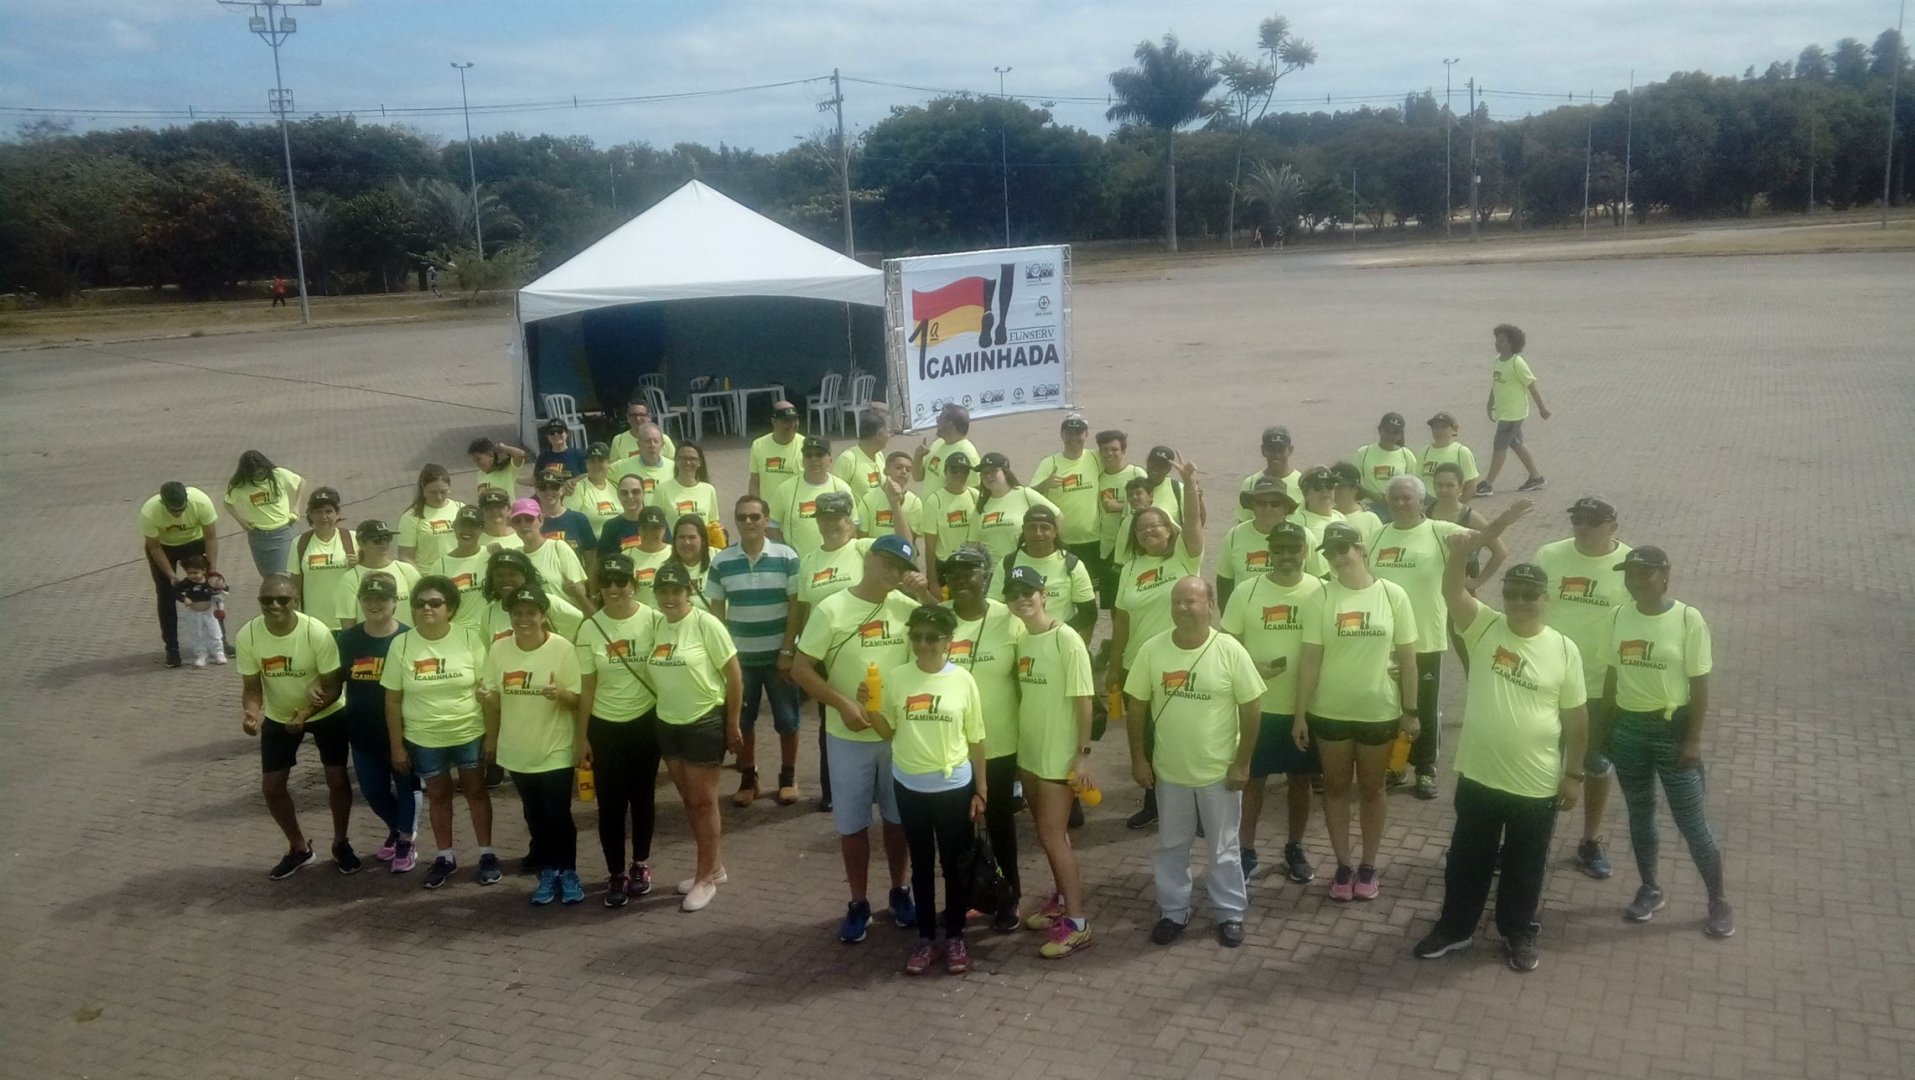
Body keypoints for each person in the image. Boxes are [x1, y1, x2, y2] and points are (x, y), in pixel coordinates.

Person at [1415, 508, 1589, 972]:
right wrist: (1465, 551)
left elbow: (1576, 719)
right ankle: (1455, 929)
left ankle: (1518, 931)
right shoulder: (1484, 627)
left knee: (1525, 866)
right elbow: (1452, 591)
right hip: (1479, 775)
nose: (1520, 601)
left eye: (1530, 595)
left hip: (1536, 784)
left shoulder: (1564, 649)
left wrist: (1574, 774)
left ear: (1546, 599)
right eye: (1512, 593)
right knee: (1466, 861)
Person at [791, 536, 928, 943]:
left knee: (897, 820)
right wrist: (842, 703)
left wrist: (925, 594)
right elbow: (801, 668)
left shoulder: (908, 609)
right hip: (846, 736)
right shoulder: (831, 608)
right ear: (868, 559)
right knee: (852, 825)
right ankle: (858, 902)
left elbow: (938, 649)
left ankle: (900, 890)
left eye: (901, 568)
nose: (893, 573)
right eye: (887, 563)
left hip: (895, 736)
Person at [1124, 578, 1266, 949]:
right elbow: (1136, 706)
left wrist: (1242, 763)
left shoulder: (1230, 650)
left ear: (1210, 605)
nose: (1183, 608)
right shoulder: (1152, 650)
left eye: (1191, 601)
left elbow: (1252, 707)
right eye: (1177, 602)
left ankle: (1230, 914)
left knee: (1223, 849)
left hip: (1219, 773)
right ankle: (1173, 911)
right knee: (1171, 845)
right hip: (1170, 772)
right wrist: (1138, 758)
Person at [1605, 546, 1732, 938]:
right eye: (1629, 574)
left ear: (1664, 575)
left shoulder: (1688, 619)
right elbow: (1611, 676)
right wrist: (1605, 730)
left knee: (1692, 822)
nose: (1635, 581)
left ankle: (1718, 901)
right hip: (1628, 730)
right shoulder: (1618, 616)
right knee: (1640, 813)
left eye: (1643, 574)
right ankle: (1650, 888)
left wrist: (1693, 740)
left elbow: (1700, 687)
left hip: (1673, 733)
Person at [1294, 522, 1418, 901]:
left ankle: (1368, 865)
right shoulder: (1321, 597)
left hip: (1379, 711)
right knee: (1334, 788)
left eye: (1343, 549)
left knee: (1372, 788)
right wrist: (1300, 715)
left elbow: (1409, 661)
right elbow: (1310, 660)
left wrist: (1411, 710)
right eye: (1330, 552)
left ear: (1361, 548)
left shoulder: (1393, 595)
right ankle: (1344, 865)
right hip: (1330, 711)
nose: (1337, 557)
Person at [866, 604, 987, 975]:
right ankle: (925, 937)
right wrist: (869, 707)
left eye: (932, 638)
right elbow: (887, 732)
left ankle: (955, 935)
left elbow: (977, 738)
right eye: (916, 636)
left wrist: (981, 789)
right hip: (910, 784)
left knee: (953, 865)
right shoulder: (897, 677)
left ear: (948, 640)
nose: (923, 644)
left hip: (953, 786)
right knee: (920, 864)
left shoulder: (963, 680)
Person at [1220, 522, 1327, 885]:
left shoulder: (1322, 591)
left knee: (1300, 781)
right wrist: (1251, 665)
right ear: (1269, 551)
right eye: (1278, 549)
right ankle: (1246, 851)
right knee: (1252, 781)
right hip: (1259, 709)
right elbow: (1227, 645)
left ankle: (1295, 847)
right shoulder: (1247, 591)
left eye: (1293, 548)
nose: (1286, 556)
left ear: (1305, 551)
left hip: (1304, 708)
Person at [1533, 495, 1631, 880]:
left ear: (1613, 527)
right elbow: (1530, 607)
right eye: (1577, 520)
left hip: (1598, 688)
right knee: (1539, 763)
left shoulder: (1630, 565)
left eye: (1592, 521)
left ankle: (1590, 841)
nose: (1583, 528)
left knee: (1596, 766)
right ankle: (1531, 839)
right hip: (1546, 681)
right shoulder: (1549, 555)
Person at [382, 575, 499, 889]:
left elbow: (487, 689)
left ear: (451, 608)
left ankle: (486, 854)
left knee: (476, 792)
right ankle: (445, 856)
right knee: (438, 796)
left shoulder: (469, 638)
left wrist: (492, 736)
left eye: (435, 603)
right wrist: (397, 746)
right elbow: (392, 700)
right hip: (424, 738)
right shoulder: (401, 644)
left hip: (468, 732)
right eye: (420, 603)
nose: (426, 609)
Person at [1108, 456, 1205, 830]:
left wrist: (1190, 485)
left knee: (1182, 733)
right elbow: (1122, 621)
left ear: (1169, 530)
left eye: (1155, 526)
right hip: (1137, 665)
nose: (1148, 531)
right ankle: (1154, 802)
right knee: (1146, 735)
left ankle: (1196, 806)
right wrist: (1114, 667)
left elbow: (1193, 523)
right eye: (1141, 528)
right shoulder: (1130, 569)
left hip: (1178, 661)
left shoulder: (1184, 558)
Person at [1006, 567, 1097, 958]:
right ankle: (1061, 900)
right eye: (1013, 593)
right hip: (1030, 753)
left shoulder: (1066, 639)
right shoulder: (1022, 639)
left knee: (1051, 835)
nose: (1021, 599)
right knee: (1050, 834)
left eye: (1028, 591)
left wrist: (1082, 755)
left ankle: (1077, 924)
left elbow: (1084, 699)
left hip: (1059, 757)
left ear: (1043, 595)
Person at [236, 573, 350, 878]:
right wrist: (251, 714)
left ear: (296, 601)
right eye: (267, 600)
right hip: (280, 716)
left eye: (282, 599)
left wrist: (306, 713)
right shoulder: (248, 635)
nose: (274, 605)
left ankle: (341, 843)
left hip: (326, 713)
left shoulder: (316, 632)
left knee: (338, 780)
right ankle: (299, 848)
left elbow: (333, 686)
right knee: (272, 787)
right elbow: (252, 687)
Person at [645, 561, 744, 912]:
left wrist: (732, 723)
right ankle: (714, 867)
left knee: (704, 802)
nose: (670, 598)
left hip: (704, 721)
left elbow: (734, 675)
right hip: (667, 722)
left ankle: (705, 879)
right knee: (690, 801)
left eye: (676, 591)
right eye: (663, 591)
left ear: (688, 592)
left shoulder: (706, 623)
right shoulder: (656, 625)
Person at [481, 585, 587, 906]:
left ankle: (568, 871)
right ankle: (548, 871)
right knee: (534, 814)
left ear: (543, 615)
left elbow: (578, 699)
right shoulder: (499, 649)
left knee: (558, 813)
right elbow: (495, 700)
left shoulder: (563, 649)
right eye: (518, 613)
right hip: (517, 748)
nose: (524, 619)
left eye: (531, 612)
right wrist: (488, 713)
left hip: (555, 747)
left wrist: (560, 694)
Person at [1367, 474, 1470, 799]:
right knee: (1391, 706)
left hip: (1425, 638)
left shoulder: (1440, 531)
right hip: (1384, 639)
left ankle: (1425, 769)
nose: (1400, 503)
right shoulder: (1376, 536)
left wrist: (1502, 522)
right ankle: (1396, 766)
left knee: (1422, 708)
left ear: (1422, 502)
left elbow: (1481, 541)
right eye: (1394, 498)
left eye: (1407, 498)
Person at [940, 544, 1025, 933]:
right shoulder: (938, 620)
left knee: (1001, 824)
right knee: (955, 830)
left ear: (987, 576)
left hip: (1000, 743)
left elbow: (1025, 678)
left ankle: (1009, 897)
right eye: (954, 572)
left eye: (970, 571)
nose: (962, 579)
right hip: (950, 747)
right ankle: (962, 899)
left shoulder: (1009, 619)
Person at [573, 552, 666, 905]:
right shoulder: (589, 628)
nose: (614, 588)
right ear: (598, 587)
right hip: (605, 726)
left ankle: (639, 864)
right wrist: (582, 737)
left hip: (645, 722)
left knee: (642, 798)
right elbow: (587, 687)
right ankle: (615, 872)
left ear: (634, 584)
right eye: (607, 582)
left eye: (621, 581)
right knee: (610, 805)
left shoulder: (654, 620)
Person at [706, 496, 805, 809]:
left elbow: (796, 607)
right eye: (742, 517)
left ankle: (788, 777)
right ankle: (749, 777)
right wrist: (725, 658)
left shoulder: (787, 556)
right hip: (741, 661)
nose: (748, 522)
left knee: (788, 720)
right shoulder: (722, 562)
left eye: (754, 516)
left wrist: (788, 650)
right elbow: (717, 615)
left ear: (766, 519)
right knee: (743, 722)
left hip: (779, 656)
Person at [335, 572, 421, 874]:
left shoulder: (409, 638)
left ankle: (406, 841)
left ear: (395, 602)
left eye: (382, 599)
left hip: (403, 732)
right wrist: (314, 689)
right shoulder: (348, 639)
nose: (374, 605)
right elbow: (334, 679)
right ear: (360, 601)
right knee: (373, 792)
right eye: (368, 598)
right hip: (362, 732)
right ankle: (398, 829)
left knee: (407, 787)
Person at [1429, 462, 1507, 665]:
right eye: (1439, 485)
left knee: (1467, 646)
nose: (1444, 490)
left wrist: (1477, 581)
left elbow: (1500, 551)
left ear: (1461, 487)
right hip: (1430, 590)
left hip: (1460, 593)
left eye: (1450, 485)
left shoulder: (1470, 517)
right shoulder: (1425, 513)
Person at [142, 480, 224, 667]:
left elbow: (211, 538)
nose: (178, 513)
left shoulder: (201, 502)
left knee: (210, 589)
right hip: (164, 547)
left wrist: (212, 571)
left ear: (187, 499)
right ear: (163, 503)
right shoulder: (149, 512)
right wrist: (171, 575)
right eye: (173, 511)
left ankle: (220, 644)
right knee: (166, 595)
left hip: (194, 542)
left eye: (182, 509)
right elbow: (154, 548)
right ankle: (172, 649)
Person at [989, 506, 1096, 640]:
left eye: (1045, 528)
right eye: (1032, 528)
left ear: (1055, 532)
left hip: (1057, 640)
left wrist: (1057, 631)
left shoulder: (1072, 565)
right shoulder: (1008, 564)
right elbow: (993, 608)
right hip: (1017, 640)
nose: (1038, 533)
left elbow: (1089, 613)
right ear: (1024, 531)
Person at [1476, 323, 1551, 496]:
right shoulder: (1497, 361)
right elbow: (1495, 384)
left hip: (1513, 414)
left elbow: (1532, 386)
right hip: (1504, 411)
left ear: (1512, 343)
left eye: (1501, 341)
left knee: (1499, 446)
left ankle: (1488, 483)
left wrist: (1542, 408)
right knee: (1516, 443)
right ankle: (1536, 477)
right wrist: (1490, 403)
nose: (1497, 343)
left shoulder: (1518, 363)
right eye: (1497, 340)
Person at [1217, 477, 1304, 612]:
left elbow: (1320, 582)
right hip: (1246, 615)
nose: (1267, 509)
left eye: (1275, 504)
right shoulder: (1234, 535)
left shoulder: (1303, 537)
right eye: (1261, 503)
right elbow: (1224, 584)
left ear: (1286, 508)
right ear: (1252, 506)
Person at [1028, 414, 1101, 573]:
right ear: (1062, 435)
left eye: (1078, 433)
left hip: (1093, 539)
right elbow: (1028, 495)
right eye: (1069, 433)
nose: (1073, 438)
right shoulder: (1049, 463)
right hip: (1061, 540)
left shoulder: (1095, 458)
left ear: (1086, 434)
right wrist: (1045, 484)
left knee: (1091, 585)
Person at [770, 434, 856, 561]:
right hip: (799, 565)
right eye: (809, 455)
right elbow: (772, 526)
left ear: (830, 460)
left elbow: (853, 525)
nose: (814, 459)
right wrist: (787, 555)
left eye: (819, 455)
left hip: (834, 563)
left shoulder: (842, 488)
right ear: (803, 460)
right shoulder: (785, 489)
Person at [223, 450, 304, 580]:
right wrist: (241, 520)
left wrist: (296, 506)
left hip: (282, 532)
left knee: (282, 575)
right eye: (255, 475)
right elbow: (228, 503)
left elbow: (301, 482)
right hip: (258, 535)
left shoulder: (279, 474)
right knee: (268, 577)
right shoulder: (240, 485)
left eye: (262, 472)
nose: (260, 477)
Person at [1092, 429, 1146, 619]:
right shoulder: (1099, 478)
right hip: (1108, 549)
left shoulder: (1136, 473)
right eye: (1105, 449)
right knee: (1115, 605)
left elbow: (1149, 503)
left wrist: (1120, 506)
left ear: (1123, 451)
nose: (1109, 454)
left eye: (1114, 449)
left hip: (1134, 547)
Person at [477, 549, 584, 644]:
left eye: (512, 574)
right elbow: (490, 652)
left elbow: (583, 624)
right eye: (499, 575)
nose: (505, 580)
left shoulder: (548, 602)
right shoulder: (488, 613)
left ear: (525, 576)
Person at [973, 452, 1062, 562]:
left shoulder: (1025, 494)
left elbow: (1058, 516)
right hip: (993, 569)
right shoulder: (981, 505)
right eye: (984, 473)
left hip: (1023, 565)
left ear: (1006, 472)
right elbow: (973, 542)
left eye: (993, 471)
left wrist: (1046, 549)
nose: (988, 476)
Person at [333, 520, 421, 629]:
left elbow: (419, 611)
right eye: (376, 539)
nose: (383, 543)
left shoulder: (407, 571)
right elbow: (348, 624)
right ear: (361, 543)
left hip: (405, 638)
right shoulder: (350, 578)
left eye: (387, 538)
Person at [508, 498, 591, 613]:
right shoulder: (516, 556)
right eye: (517, 520)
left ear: (541, 519)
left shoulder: (558, 547)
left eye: (529, 519)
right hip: (533, 621)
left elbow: (581, 589)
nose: (523, 524)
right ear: (512, 525)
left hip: (566, 620)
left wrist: (575, 590)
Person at [290, 487, 355, 631]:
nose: (323, 516)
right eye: (318, 512)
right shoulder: (299, 543)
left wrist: (359, 565)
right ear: (310, 515)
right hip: (314, 625)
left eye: (328, 511)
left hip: (349, 623)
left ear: (337, 514)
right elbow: (294, 584)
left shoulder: (353, 539)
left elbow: (370, 574)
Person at [919, 451, 978, 598]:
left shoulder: (975, 496)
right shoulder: (935, 501)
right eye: (954, 470)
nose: (959, 475)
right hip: (945, 567)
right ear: (945, 472)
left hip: (970, 565)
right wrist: (932, 581)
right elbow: (930, 547)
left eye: (964, 471)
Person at [430, 506, 492, 629]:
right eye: (462, 525)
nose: (467, 530)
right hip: (457, 633)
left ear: (482, 528)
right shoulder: (440, 565)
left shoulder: (491, 556)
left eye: (473, 526)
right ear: (454, 526)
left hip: (488, 630)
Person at [396, 464, 463, 568]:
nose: (439, 497)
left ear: (449, 488)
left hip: (459, 571)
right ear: (423, 490)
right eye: (433, 492)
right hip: (429, 575)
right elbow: (405, 557)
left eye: (443, 492)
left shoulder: (460, 509)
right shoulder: (411, 517)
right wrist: (418, 577)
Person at [1234, 426, 1302, 523]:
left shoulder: (1302, 482)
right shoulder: (1250, 483)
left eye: (1281, 449)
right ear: (1263, 450)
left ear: (1290, 450)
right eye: (1271, 449)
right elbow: (1242, 521)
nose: (1276, 454)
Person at [1353, 413, 1420, 511]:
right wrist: (1375, 497)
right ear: (1380, 430)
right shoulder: (1363, 453)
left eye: (1395, 432)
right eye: (1387, 431)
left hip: (1398, 507)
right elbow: (1354, 483)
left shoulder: (1407, 455)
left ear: (1400, 435)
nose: (1390, 435)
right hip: (1369, 507)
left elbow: (1413, 485)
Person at [747, 400, 804, 511]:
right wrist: (755, 509)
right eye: (787, 420)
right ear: (773, 421)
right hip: (769, 511)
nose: (792, 424)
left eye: (795, 419)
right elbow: (755, 481)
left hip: (795, 510)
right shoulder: (758, 445)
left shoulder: (806, 446)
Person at [654, 440, 721, 533]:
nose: (688, 462)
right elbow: (656, 525)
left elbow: (714, 524)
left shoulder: (709, 490)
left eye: (692, 459)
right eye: (683, 458)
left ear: (699, 462)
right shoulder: (661, 490)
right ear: (676, 461)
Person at [913, 403, 980, 490]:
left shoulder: (967, 455)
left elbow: (977, 489)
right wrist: (918, 457)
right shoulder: (938, 443)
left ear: (950, 425)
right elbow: (918, 477)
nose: (937, 421)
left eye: (940, 418)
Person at [175, 554, 227, 668]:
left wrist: (221, 585)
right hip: (193, 613)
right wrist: (184, 599)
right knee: (196, 634)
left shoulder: (210, 581)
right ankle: (201, 655)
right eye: (189, 573)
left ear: (203, 570)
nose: (192, 576)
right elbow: (175, 592)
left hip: (209, 612)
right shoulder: (186, 583)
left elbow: (223, 588)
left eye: (195, 573)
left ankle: (219, 653)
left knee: (214, 632)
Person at [532, 472, 596, 564]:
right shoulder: (531, 521)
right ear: (536, 490)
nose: (549, 492)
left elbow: (591, 559)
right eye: (543, 487)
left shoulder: (579, 519)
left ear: (562, 489)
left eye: (554, 486)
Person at [859, 451, 922, 543]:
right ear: (885, 470)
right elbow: (862, 537)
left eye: (908, 470)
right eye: (898, 467)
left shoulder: (915, 502)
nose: (904, 471)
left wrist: (895, 503)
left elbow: (908, 542)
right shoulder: (867, 499)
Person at [567, 442, 623, 543]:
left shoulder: (616, 486)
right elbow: (569, 522)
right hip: (592, 546)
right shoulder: (577, 488)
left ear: (609, 463)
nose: (596, 465)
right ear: (586, 464)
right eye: (592, 461)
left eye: (601, 460)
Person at [834, 407, 891, 504]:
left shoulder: (879, 455)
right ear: (879, 435)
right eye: (889, 432)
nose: (890, 436)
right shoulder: (848, 459)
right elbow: (835, 495)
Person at [1420, 412, 1481, 498]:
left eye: (1444, 427)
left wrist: (1457, 505)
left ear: (1454, 430)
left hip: (1451, 501)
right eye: (1436, 428)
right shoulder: (1424, 451)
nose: (1439, 431)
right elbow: (1417, 481)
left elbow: (1471, 486)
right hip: (1427, 502)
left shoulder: (1462, 452)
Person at [610, 423, 674, 496]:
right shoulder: (622, 466)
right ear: (638, 445)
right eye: (647, 441)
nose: (652, 445)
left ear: (662, 445)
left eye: (656, 441)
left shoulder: (674, 467)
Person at [1328, 462, 1383, 547]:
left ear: (1354, 489)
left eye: (1340, 487)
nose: (1334, 491)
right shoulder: (1325, 517)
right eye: (1332, 487)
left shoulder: (1370, 519)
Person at [611, 396, 678, 461]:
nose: (637, 419)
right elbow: (613, 466)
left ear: (649, 417)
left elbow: (675, 464)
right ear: (628, 418)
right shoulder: (619, 441)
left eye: (641, 415)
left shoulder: (663, 440)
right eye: (633, 415)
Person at [668, 516, 713, 610]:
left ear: (703, 540)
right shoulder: (665, 570)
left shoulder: (718, 561)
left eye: (692, 537)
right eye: (681, 537)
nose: (686, 542)